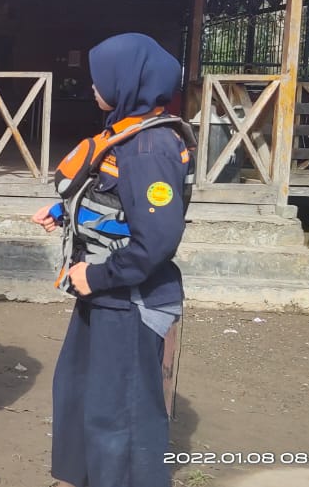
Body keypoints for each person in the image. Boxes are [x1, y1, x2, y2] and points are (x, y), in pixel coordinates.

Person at [31, 33, 194, 487]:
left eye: (99, 78)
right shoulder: (126, 137)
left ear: (128, 82)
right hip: (104, 297)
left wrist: (97, 275)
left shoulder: (150, 148)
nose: (93, 87)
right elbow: (115, 197)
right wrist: (64, 212)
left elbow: (158, 240)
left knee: (120, 414)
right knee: (80, 395)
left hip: (127, 299)